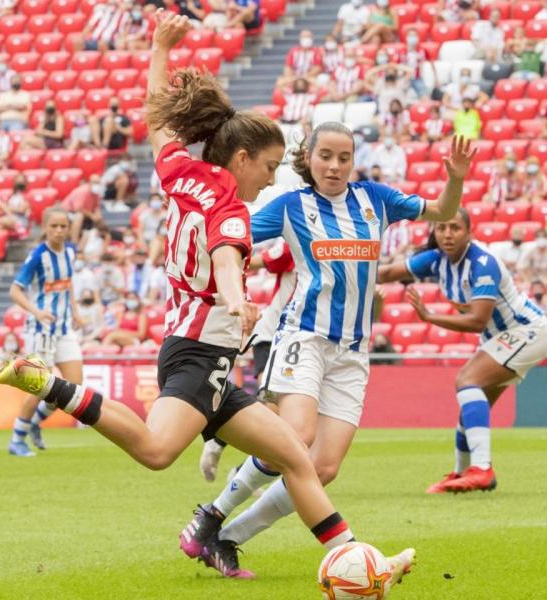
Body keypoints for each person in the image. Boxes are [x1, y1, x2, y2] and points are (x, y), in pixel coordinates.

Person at [0, 11, 413, 581]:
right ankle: (50, 384)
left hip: (208, 360)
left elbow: (155, 121)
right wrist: (239, 297)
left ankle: (358, 561)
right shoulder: (229, 207)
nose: (270, 179)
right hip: (197, 352)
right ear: (241, 159)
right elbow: (224, 250)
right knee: (155, 450)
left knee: (295, 456)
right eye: (267, 168)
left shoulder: (182, 173)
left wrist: (159, 49)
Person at [180, 123, 473, 576]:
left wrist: (454, 178)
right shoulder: (292, 205)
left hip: (353, 352)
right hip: (305, 337)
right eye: (326, 157)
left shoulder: (376, 198)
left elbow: (442, 211)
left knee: (325, 467)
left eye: (343, 157)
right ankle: (212, 515)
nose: (335, 166)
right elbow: (232, 236)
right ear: (309, 159)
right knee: (295, 441)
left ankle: (223, 537)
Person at [378, 209, 547, 493]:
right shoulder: (437, 260)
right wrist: (349, 275)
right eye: (442, 228)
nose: (447, 234)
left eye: (455, 228)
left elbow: (477, 321)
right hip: (501, 337)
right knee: (471, 407)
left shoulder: (482, 263)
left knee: (467, 381)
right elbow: (386, 272)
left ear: (469, 233)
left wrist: (429, 317)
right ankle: (461, 473)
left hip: (526, 331)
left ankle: (482, 469)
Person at [5, 208, 83, 457]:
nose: (59, 231)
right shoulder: (38, 256)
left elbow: (68, 285)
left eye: (63, 226)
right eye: (54, 226)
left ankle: (35, 424)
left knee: (74, 386)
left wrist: (76, 312)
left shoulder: (70, 251)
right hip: (40, 330)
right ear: (45, 228)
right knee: (40, 387)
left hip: (64, 327)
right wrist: (36, 311)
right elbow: (15, 291)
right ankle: (17, 439)